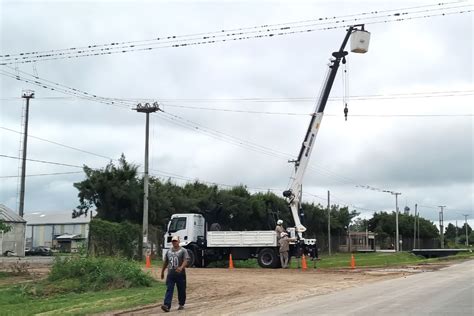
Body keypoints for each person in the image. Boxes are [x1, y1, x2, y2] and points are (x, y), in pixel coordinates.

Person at [161, 235, 190, 312]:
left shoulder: (183, 251)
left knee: (181, 289)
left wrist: (181, 267)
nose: (174, 243)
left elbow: (186, 260)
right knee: (169, 289)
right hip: (170, 274)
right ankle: (166, 305)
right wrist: (162, 271)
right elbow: (166, 262)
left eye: (176, 241)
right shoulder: (169, 251)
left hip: (180, 274)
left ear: (179, 241)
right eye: (173, 241)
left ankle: (181, 304)